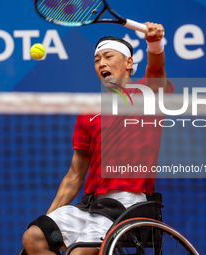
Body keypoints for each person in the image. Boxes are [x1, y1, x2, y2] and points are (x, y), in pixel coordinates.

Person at [21, 22, 174, 255]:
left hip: (127, 203)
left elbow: (156, 71)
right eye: (97, 59)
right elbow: (75, 174)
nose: (101, 63)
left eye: (108, 56)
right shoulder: (88, 112)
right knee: (34, 236)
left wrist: (154, 43)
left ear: (129, 63)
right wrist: (50, 215)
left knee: (79, 254)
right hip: (91, 204)